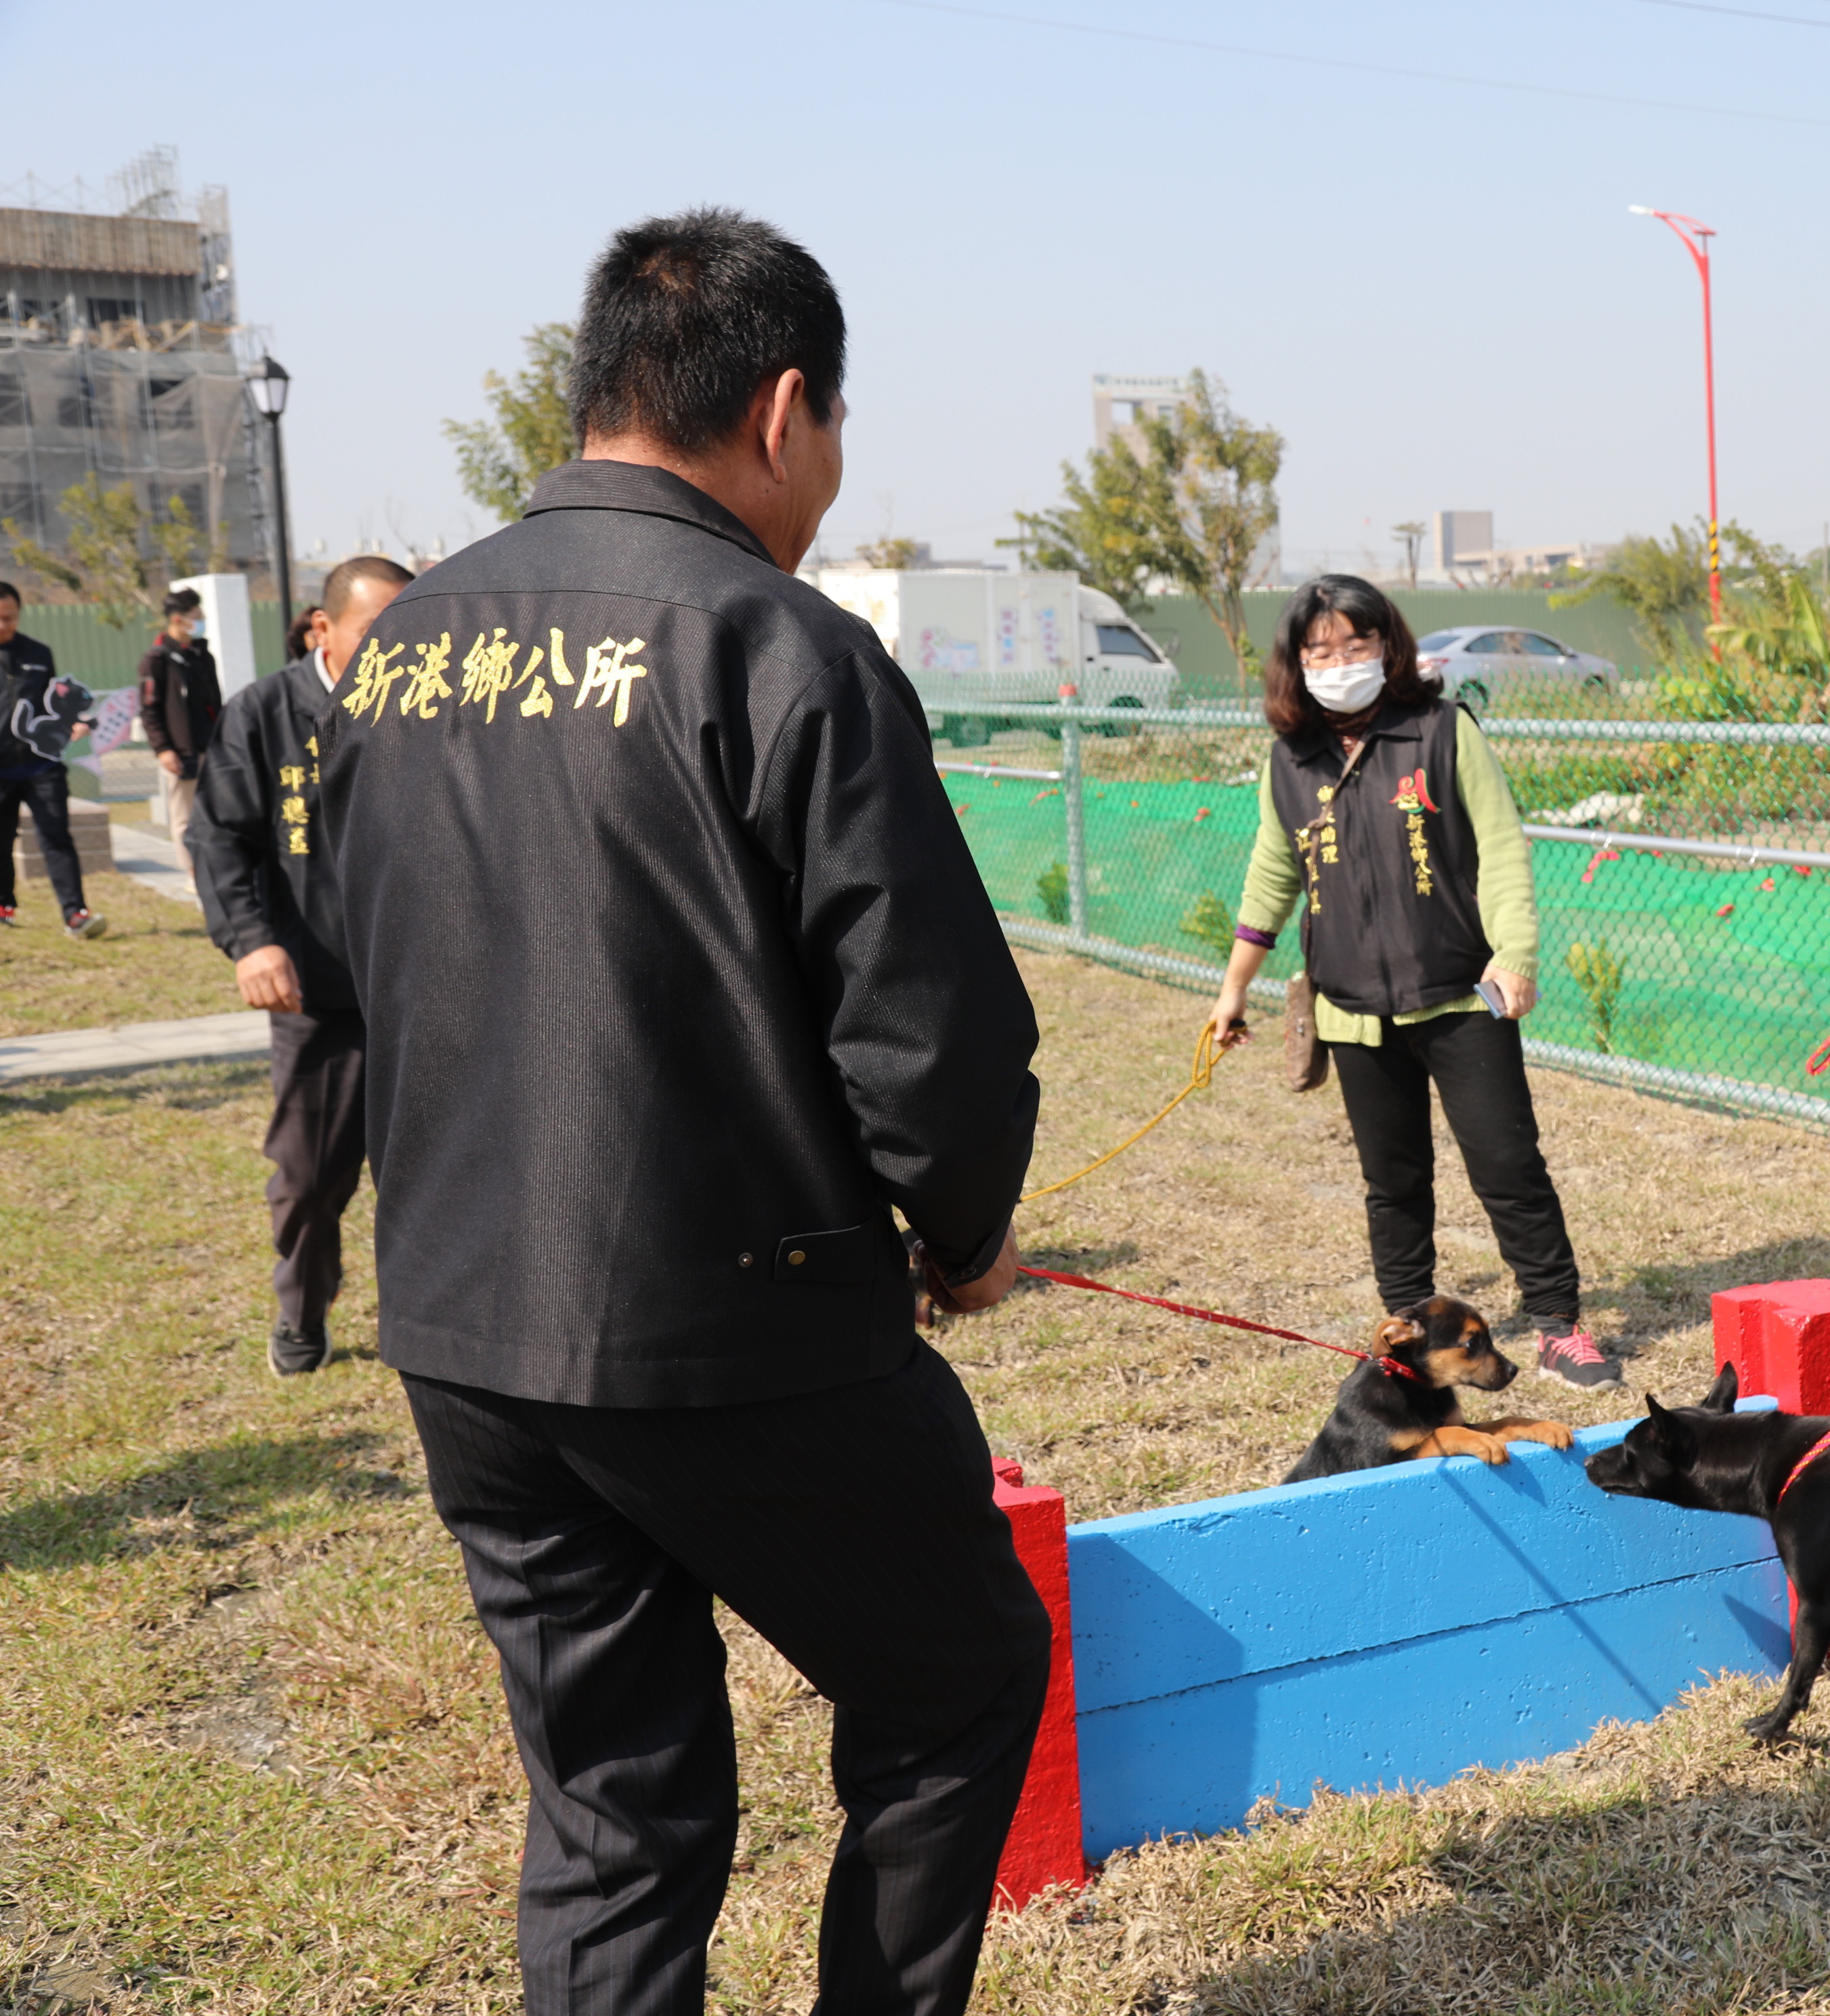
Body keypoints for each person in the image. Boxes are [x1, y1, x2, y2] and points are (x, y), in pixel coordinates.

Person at [314, 208, 1050, 2016]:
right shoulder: (777, 646)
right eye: (840, 430)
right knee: (955, 1680)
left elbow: (359, 975)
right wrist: (960, 1237)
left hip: (468, 1326)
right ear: (784, 407)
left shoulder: (399, 657)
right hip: (738, 1328)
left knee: (615, 1810)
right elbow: (932, 1035)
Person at [1205, 574, 1619, 1388]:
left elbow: (1501, 848)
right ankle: (1404, 1331)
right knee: (1392, 1182)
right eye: (1321, 650)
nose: (1341, 661)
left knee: (1506, 1163)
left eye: (1357, 644)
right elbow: (1270, 877)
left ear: (1388, 646)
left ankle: (1557, 1322)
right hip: (1355, 1012)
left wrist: (1516, 954)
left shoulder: (1439, 730)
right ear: (1296, 664)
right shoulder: (1289, 762)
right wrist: (1234, 988)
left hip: (1463, 997)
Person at [190, 554, 413, 1377]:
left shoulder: (435, 705)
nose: (396, 651)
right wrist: (253, 940)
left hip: (426, 990)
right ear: (324, 629)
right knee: (310, 1179)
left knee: (433, 1178)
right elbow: (219, 835)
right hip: (320, 992)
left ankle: (425, 1327)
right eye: (374, 635)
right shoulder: (266, 713)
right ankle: (304, 1309)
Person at [0, 581, 106, 938]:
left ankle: (75, 914)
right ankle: (3, 906)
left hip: (42, 765)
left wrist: (72, 723)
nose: (4, 625)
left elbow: (51, 704)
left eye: (10, 618)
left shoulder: (38, 653)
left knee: (56, 836)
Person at [138, 584, 223, 852]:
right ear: (178, 619)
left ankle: (214, 868)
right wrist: (164, 749)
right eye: (197, 617)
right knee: (185, 819)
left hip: (210, 748)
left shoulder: (203, 656)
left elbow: (215, 703)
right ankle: (192, 874)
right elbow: (150, 710)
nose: (201, 623)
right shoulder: (156, 660)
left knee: (216, 815)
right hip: (181, 753)